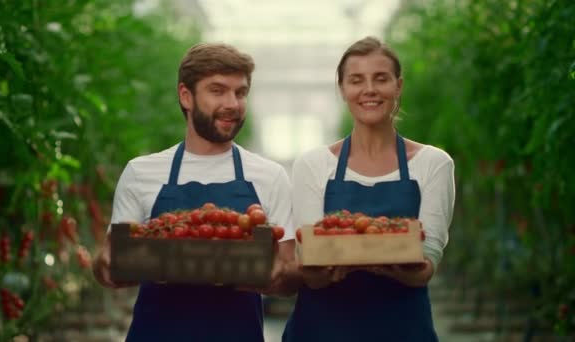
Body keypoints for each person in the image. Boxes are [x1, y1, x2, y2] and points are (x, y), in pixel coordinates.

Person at [92, 42, 299, 341]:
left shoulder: (270, 176)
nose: (232, 103)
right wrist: (106, 267)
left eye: (240, 92)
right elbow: (110, 262)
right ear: (186, 96)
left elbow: (290, 272)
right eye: (218, 90)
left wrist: (273, 278)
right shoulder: (141, 172)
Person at [282, 36, 455, 341]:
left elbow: (427, 264)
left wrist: (395, 267)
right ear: (342, 89)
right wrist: (321, 272)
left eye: (381, 79)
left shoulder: (434, 164)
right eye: (356, 80)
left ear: (398, 86)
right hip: (321, 329)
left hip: (402, 330)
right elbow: (308, 259)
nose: (369, 90)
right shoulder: (312, 164)